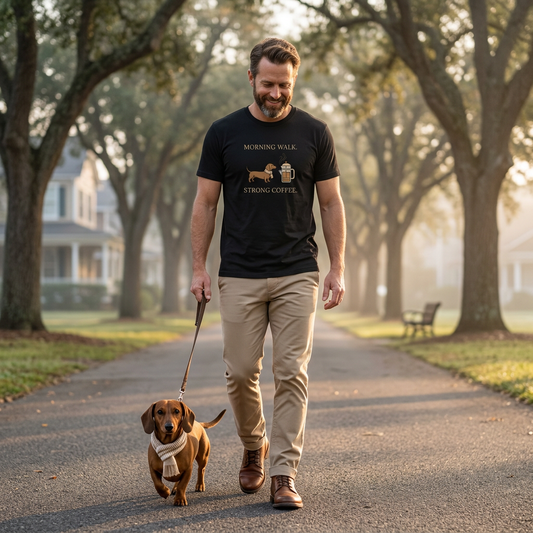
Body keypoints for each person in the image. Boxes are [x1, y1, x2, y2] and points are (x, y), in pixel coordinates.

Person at [190, 37, 346, 510]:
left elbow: (331, 202)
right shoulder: (223, 133)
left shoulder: (315, 133)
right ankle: (253, 444)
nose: (275, 93)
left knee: (291, 372)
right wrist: (199, 266)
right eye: (267, 83)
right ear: (252, 79)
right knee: (240, 373)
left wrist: (337, 268)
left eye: (284, 85)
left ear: (292, 81)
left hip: (298, 270)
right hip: (238, 271)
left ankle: (283, 472)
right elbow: (205, 202)